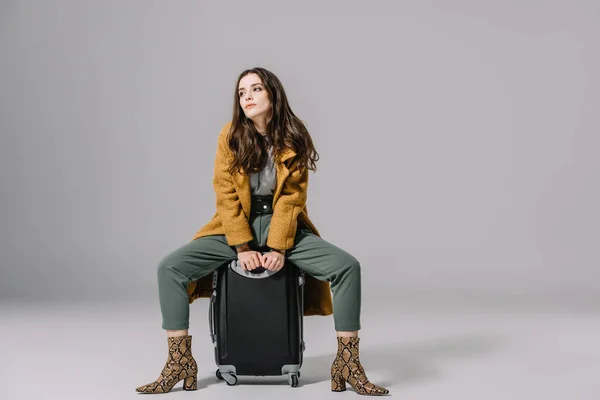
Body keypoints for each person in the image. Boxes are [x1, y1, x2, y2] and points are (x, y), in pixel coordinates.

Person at [135, 67, 389, 396]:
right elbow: (225, 196)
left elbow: (291, 199)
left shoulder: (294, 135)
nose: (248, 97)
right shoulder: (230, 136)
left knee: (346, 267)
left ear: (273, 94)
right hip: (235, 223)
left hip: (281, 224)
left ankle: (347, 364)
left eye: (255, 89)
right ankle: (179, 362)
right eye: (242, 93)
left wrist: (279, 248)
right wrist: (242, 246)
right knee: (170, 267)